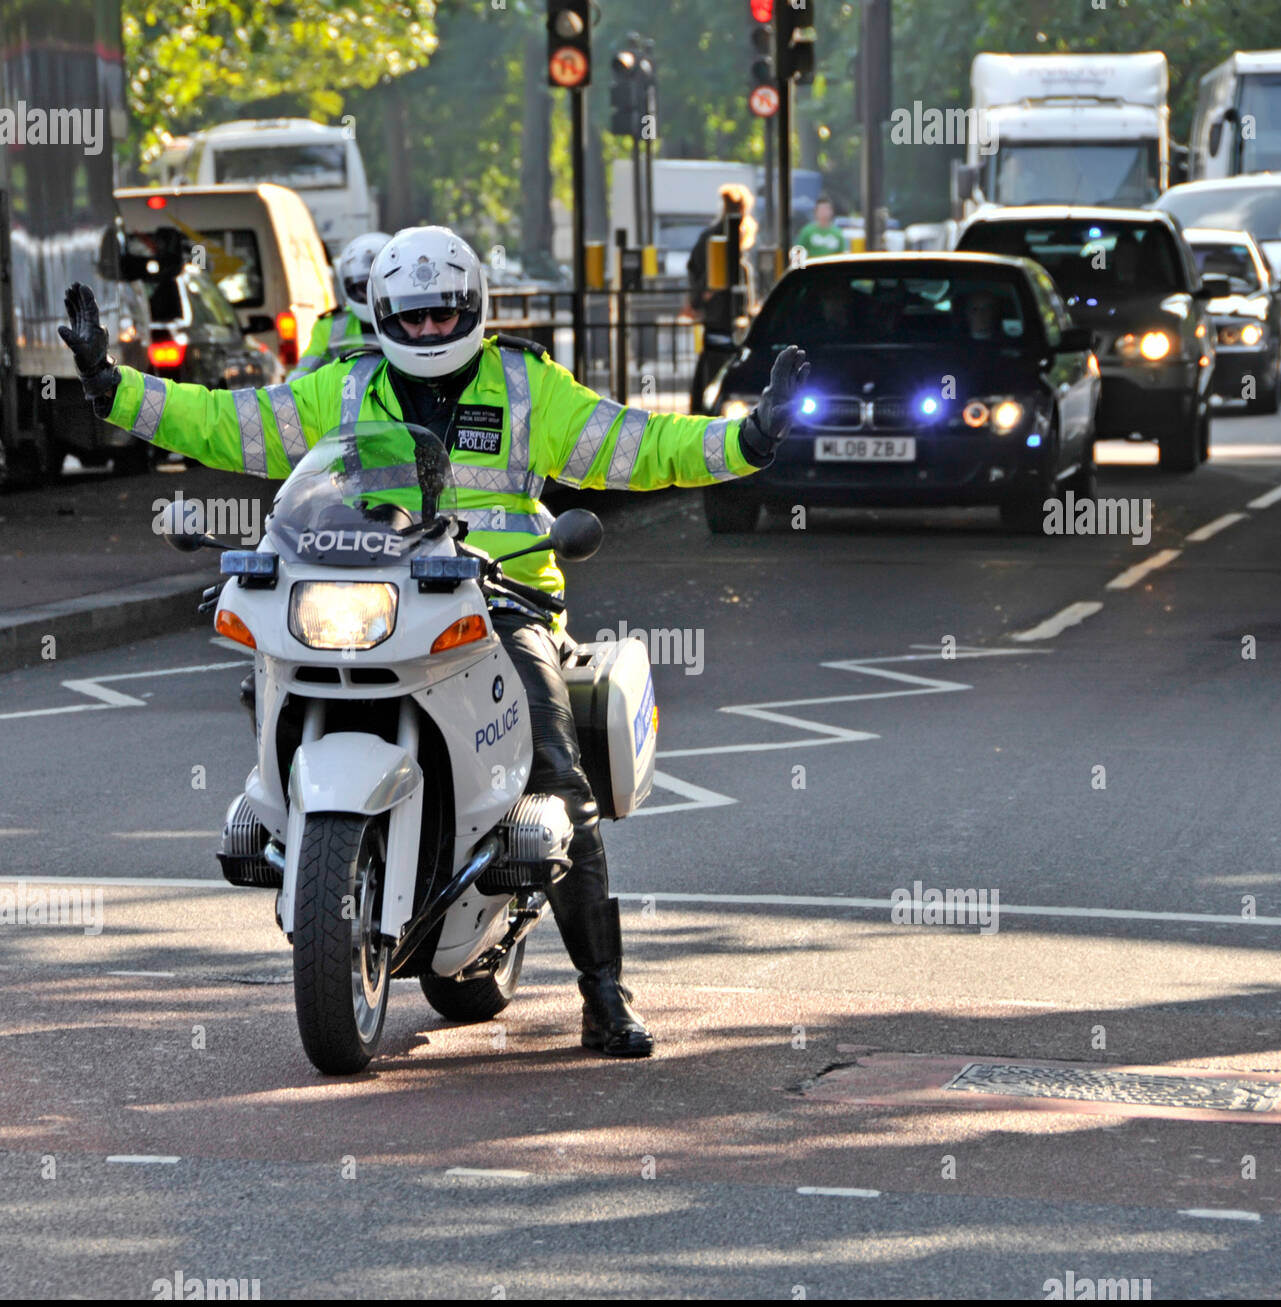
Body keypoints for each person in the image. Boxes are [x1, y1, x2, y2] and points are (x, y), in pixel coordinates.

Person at [59, 225, 809, 1060]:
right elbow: (227, 423)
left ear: (473, 309)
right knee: (266, 674)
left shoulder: (526, 386)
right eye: (409, 317)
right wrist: (109, 383)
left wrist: (749, 437)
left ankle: (604, 994)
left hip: (501, 603)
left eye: (441, 314)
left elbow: (637, 443)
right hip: (372, 595)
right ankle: (291, 835)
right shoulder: (340, 389)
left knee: (561, 778)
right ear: (382, 315)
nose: (424, 331)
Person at [686, 184, 758, 411]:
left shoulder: (713, 236)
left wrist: (700, 296)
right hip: (726, 322)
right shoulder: (725, 238)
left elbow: (694, 268)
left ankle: (703, 414)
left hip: (718, 321)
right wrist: (705, 292)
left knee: (709, 378)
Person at [290, 231, 390, 379]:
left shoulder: (417, 319)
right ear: (348, 286)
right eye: (363, 287)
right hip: (345, 396)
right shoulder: (331, 326)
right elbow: (305, 371)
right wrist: (289, 388)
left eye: (379, 286)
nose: (371, 295)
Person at [794, 196, 848, 261]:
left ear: (831, 212)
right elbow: (798, 253)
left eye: (826, 209)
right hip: (812, 269)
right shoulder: (807, 231)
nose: (824, 212)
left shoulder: (838, 233)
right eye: (821, 209)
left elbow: (842, 256)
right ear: (816, 212)